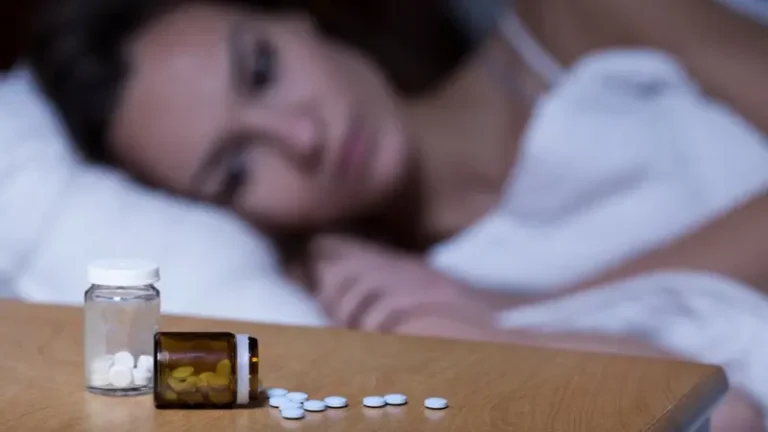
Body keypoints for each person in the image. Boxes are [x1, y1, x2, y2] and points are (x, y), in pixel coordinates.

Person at [28, 0, 768, 429]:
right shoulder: (384, 313)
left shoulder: (569, 20)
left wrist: (516, 310)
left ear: (298, 18)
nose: (303, 136)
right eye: (236, 168)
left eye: (261, 69)